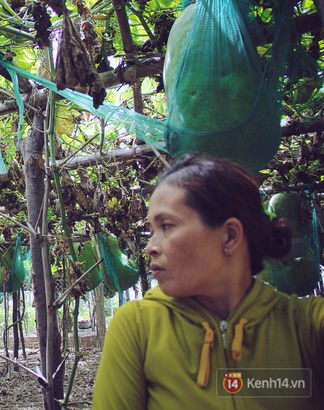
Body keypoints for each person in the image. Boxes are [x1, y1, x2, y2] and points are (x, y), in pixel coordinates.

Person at [92, 154, 324, 409]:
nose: (150, 247)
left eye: (167, 226)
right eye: (152, 230)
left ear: (229, 235)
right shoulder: (138, 327)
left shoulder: (307, 326)